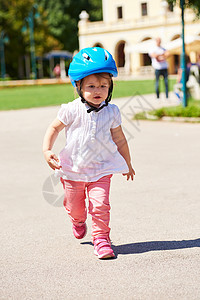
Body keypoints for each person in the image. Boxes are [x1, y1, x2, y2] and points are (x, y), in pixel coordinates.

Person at [43, 47, 135, 259]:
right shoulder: (71, 109)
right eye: (91, 86)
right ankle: (77, 220)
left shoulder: (112, 112)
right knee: (76, 208)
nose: (98, 90)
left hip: (101, 169)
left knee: (101, 205)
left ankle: (101, 239)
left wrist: (128, 162)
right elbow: (54, 128)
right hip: (73, 170)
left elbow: (120, 139)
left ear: (110, 87)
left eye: (103, 85)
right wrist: (47, 150)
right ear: (78, 86)